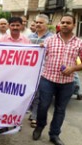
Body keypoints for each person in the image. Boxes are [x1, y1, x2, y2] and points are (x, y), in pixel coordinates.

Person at [32, 14, 82, 145]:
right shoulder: (50, 40)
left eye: (68, 23)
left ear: (74, 25)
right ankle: (39, 126)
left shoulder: (79, 42)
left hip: (67, 83)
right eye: (63, 22)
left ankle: (54, 134)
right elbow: (38, 56)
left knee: (60, 109)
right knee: (43, 106)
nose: (65, 24)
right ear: (60, 24)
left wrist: (72, 68)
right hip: (47, 79)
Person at [28, 14, 53, 128]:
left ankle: (35, 116)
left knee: (39, 94)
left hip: (44, 71)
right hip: (29, 71)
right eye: (36, 22)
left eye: (41, 22)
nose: (38, 24)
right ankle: (31, 112)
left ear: (47, 24)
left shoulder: (52, 39)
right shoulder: (29, 37)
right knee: (30, 93)